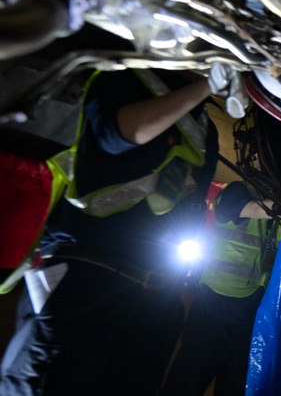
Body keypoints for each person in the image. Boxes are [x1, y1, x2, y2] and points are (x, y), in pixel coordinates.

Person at [0, 67, 237, 396]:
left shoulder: (205, 126)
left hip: (153, 296)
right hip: (84, 278)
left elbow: (192, 203)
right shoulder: (123, 77)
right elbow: (118, 135)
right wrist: (206, 85)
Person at [159, 181, 280, 396]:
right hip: (213, 308)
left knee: (234, 388)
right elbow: (252, 209)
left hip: (250, 315)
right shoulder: (237, 191)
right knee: (187, 382)